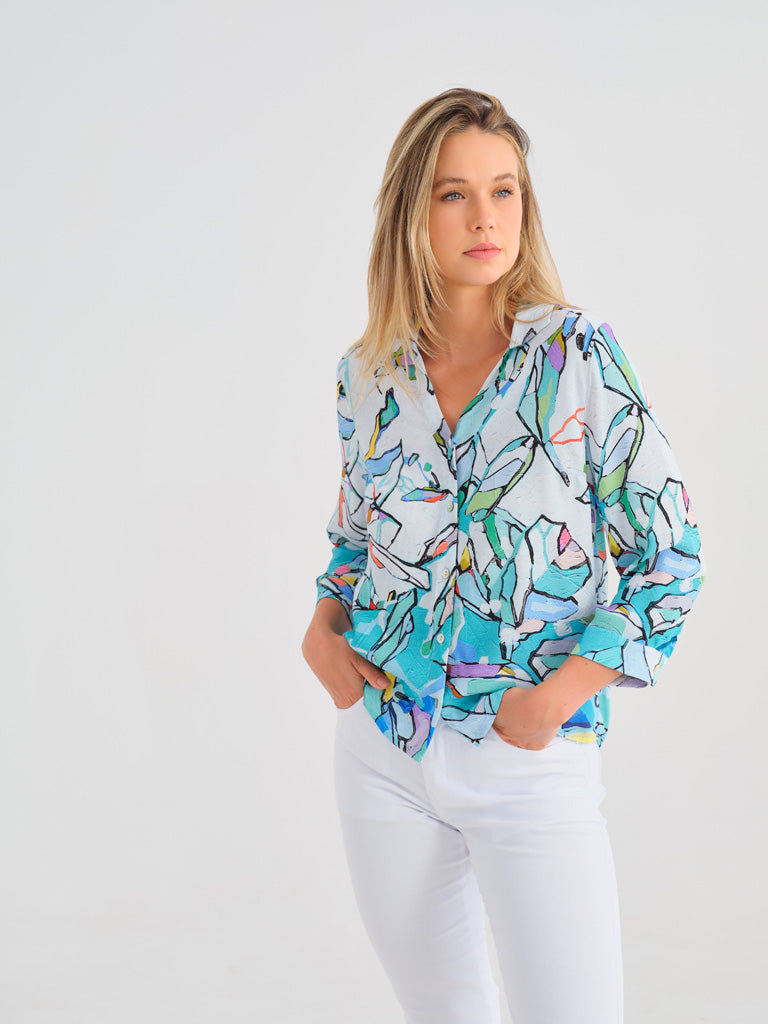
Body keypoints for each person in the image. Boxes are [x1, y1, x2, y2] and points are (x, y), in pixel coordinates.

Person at [301, 87, 706, 1024]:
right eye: (455, 194)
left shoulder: (576, 355)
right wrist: (323, 631)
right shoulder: (368, 374)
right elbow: (356, 540)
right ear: (413, 212)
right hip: (384, 751)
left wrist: (558, 698)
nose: (486, 218)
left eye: (504, 190)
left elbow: (670, 556)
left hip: (529, 758)